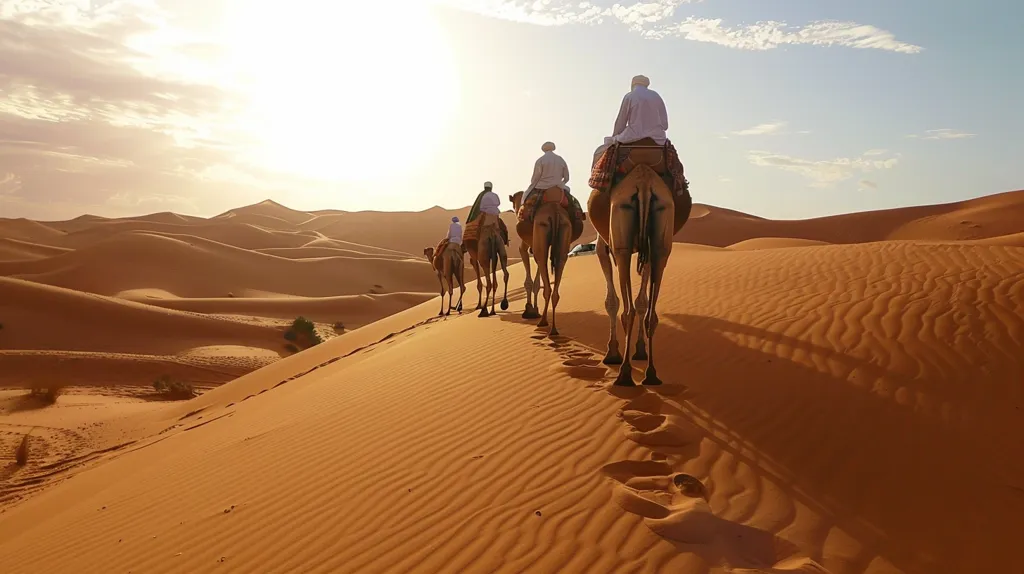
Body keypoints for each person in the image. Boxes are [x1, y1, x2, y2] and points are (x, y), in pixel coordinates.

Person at [589, 75, 688, 196]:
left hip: (631, 137)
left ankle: (600, 187)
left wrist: (614, 138)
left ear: (633, 84)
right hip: (657, 142)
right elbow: (665, 125)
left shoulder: (629, 96)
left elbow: (620, 122)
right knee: (675, 163)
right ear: (647, 84)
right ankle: (679, 187)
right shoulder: (657, 97)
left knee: (600, 151)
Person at [466, 181, 509, 246]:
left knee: (476, 226)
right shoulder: (494, 195)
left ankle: (469, 241)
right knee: (502, 226)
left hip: (485, 213)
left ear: (484, 187)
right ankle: (505, 240)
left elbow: (479, 206)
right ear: (491, 187)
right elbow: (498, 203)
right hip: (495, 214)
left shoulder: (481, 195)